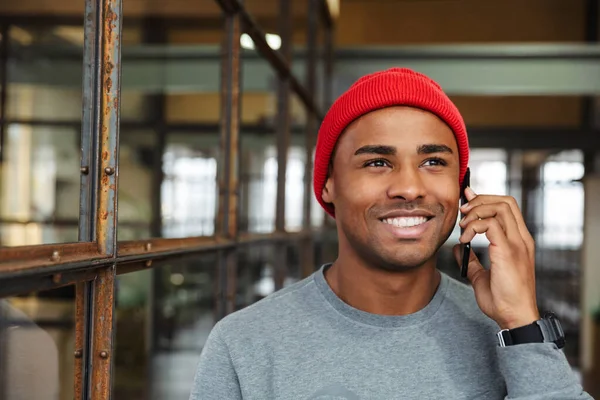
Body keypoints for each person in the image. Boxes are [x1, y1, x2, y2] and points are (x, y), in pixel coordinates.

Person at [189, 68, 593, 399]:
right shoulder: (245, 343)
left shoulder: (508, 333)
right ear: (328, 184)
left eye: (433, 161)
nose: (410, 187)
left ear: (462, 187)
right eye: (378, 162)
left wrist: (522, 323)